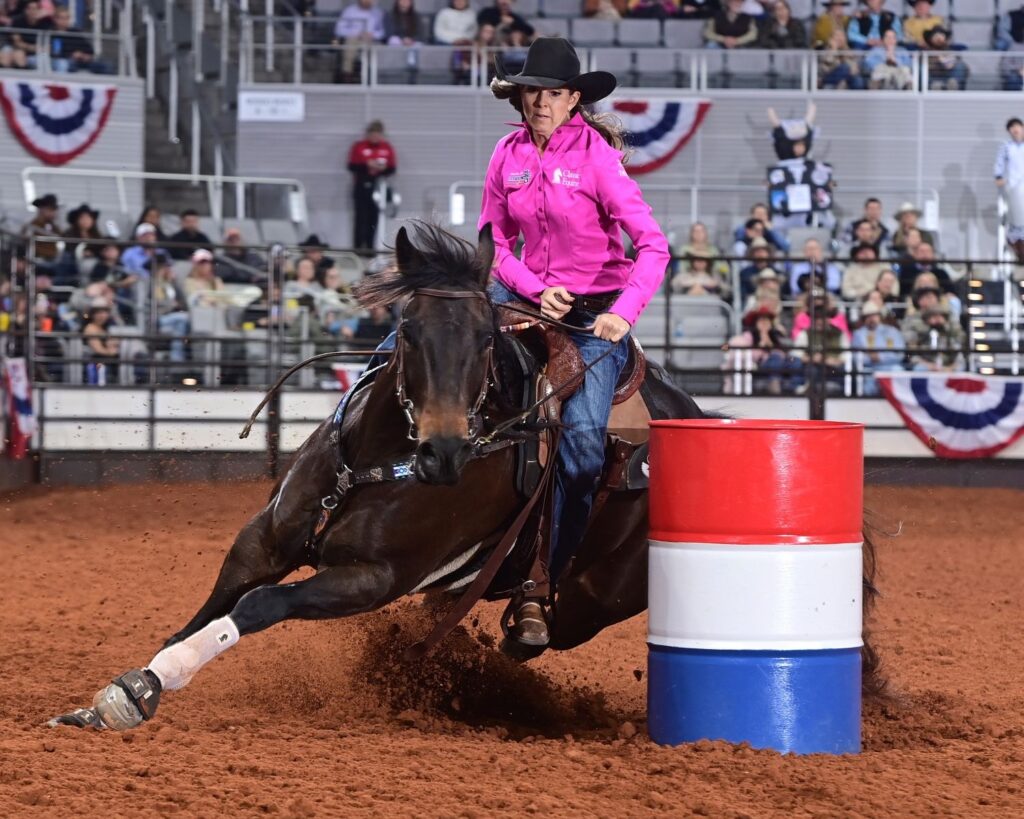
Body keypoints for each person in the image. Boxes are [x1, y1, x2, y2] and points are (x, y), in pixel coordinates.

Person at [478, 37, 669, 645]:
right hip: (523, 303)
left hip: (592, 321)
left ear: (573, 100)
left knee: (583, 445)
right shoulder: (505, 154)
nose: (540, 102)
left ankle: (541, 580)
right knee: (425, 343)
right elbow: (493, 243)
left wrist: (623, 311)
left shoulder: (598, 161)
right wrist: (533, 286)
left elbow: (655, 247)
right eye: (532, 90)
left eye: (553, 93)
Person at [347, 120, 397, 253]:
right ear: (368, 134)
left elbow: (392, 168)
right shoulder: (359, 146)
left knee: (374, 218)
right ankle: (358, 249)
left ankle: (370, 249)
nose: (375, 137)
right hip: (362, 185)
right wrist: (367, 165)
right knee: (360, 218)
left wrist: (382, 168)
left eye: (377, 135)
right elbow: (351, 166)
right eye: (372, 134)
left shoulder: (386, 148)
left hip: (379, 186)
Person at [851, 300, 904, 395]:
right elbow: (856, 357)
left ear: (880, 316)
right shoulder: (858, 334)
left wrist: (880, 357)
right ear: (863, 319)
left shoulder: (892, 331)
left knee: (898, 370)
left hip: (890, 367)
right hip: (868, 368)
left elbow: (900, 354)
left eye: (874, 315)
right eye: (868, 316)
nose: (871, 319)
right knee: (865, 379)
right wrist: (869, 358)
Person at [995, 117, 1024, 262]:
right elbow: (999, 163)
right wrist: (999, 176)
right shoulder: (1006, 147)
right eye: (1012, 128)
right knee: (1016, 221)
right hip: (1013, 188)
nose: (1015, 130)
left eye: (1017, 127)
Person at [334, 0, 386, 81]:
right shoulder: (349, 11)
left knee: (373, 48)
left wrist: (373, 34)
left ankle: (369, 77)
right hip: (353, 38)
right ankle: (347, 76)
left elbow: (382, 32)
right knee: (350, 44)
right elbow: (339, 30)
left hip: (371, 40)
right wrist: (356, 33)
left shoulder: (377, 12)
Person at [49, 6, 109, 73]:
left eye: (67, 18)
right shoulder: (52, 33)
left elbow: (89, 49)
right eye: (62, 18)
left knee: (105, 65)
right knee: (63, 64)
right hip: (64, 61)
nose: (64, 21)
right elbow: (55, 53)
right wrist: (72, 55)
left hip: (81, 61)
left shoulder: (75, 32)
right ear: (55, 19)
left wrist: (84, 55)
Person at [433, 0, 477, 82]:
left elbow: (473, 32)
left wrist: (462, 40)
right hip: (447, 43)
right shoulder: (444, 13)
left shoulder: (471, 14)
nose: (459, 2)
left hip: (465, 43)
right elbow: (438, 32)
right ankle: (456, 74)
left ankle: (467, 75)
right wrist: (455, 40)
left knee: (470, 47)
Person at [923, 27, 967, 91]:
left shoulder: (951, 51)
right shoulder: (926, 52)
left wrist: (946, 61)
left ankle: (953, 85)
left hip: (949, 77)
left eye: (941, 35)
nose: (939, 38)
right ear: (930, 39)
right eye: (936, 36)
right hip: (933, 78)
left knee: (960, 65)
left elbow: (952, 65)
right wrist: (937, 60)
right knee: (935, 84)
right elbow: (926, 67)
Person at [21, 193, 62, 263]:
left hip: (53, 260)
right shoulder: (32, 226)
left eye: (54, 210)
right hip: (37, 260)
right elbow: (26, 244)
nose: (53, 212)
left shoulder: (54, 227)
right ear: (41, 209)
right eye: (50, 209)